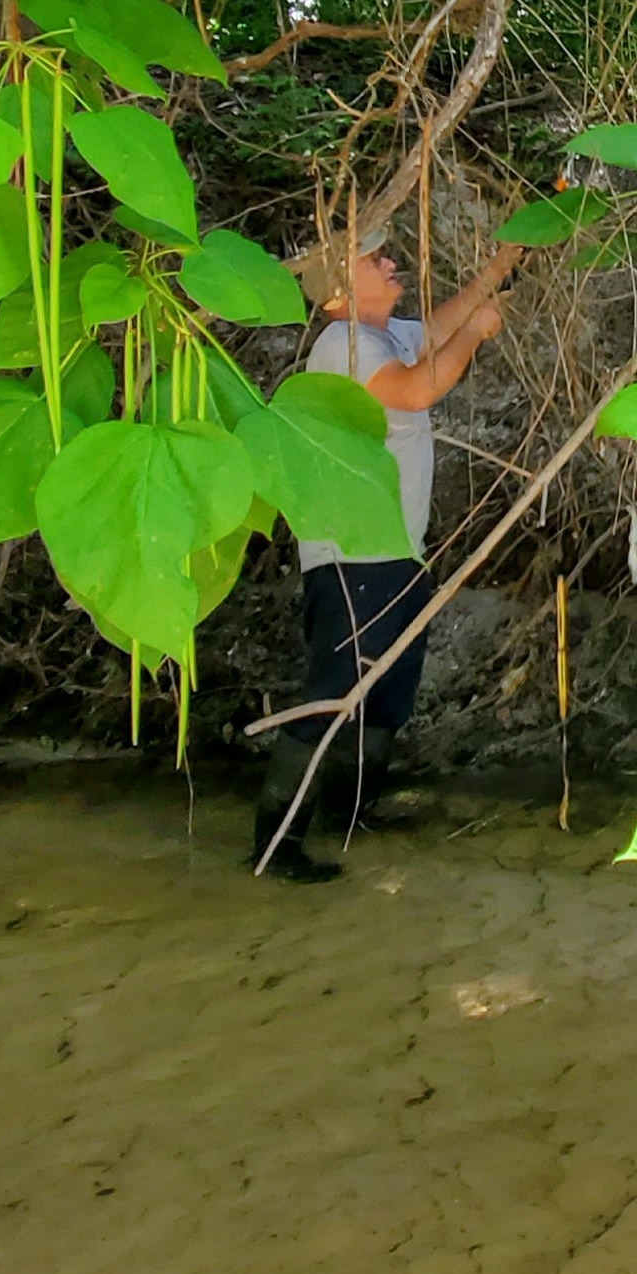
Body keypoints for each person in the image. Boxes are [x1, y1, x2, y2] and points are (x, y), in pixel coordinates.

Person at [249, 226, 524, 883]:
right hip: (352, 558)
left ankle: (353, 812)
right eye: (374, 259)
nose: (391, 261)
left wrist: (502, 263)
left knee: (387, 694)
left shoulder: (383, 335)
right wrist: (479, 333)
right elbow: (414, 390)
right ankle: (275, 841)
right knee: (334, 693)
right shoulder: (339, 348)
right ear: (339, 291)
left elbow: (435, 330)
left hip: (397, 554)